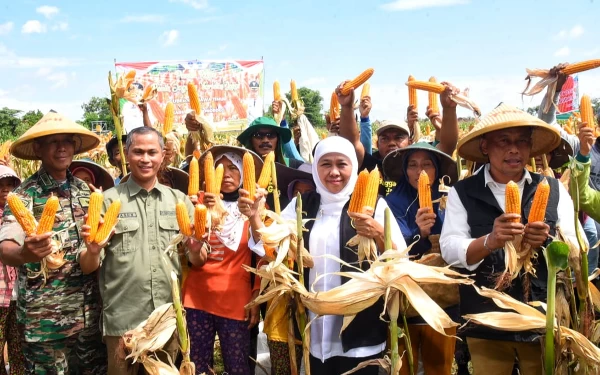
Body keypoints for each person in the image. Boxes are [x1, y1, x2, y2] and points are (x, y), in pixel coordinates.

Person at [241, 136, 406, 375]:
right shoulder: (302, 204)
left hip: (361, 325)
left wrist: (379, 233)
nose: (334, 172)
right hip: (313, 323)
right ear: (316, 167)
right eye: (326, 164)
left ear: (354, 167)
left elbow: (400, 260)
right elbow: (272, 247)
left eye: (342, 164)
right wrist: (255, 217)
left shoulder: (376, 206)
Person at [440, 104, 579, 374]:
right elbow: (449, 248)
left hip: (540, 316)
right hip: (486, 318)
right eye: (504, 141)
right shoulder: (462, 192)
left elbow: (576, 247)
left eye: (521, 142)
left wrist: (550, 243)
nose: (514, 150)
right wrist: (489, 241)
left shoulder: (552, 190)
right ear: (485, 147)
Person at [78, 126, 204, 375]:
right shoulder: (107, 201)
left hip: (167, 318)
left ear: (163, 155)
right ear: (126, 153)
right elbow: (86, 265)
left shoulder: (180, 201)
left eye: (152, 152)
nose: (145, 159)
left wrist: (196, 248)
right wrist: (93, 250)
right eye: (138, 152)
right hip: (123, 319)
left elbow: (198, 260)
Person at [0, 111, 107, 374]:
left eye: (67, 141)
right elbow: (6, 246)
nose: (62, 147)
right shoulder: (24, 195)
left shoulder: (86, 192)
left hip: (89, 318)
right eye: (53, 141)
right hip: (45, 323)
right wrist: (26, 253)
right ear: (37, 148)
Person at [183, 146, 261, 375]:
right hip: (197, 297)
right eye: (219, 168)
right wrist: (204, 211)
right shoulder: (196, 204)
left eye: (232, 168)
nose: (226, 174)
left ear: (242, 173)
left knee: (237, 367)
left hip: (236, 300)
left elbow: (263, 257)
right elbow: (187, 250)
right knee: (196, 367)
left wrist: (256, 295)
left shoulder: (253, 208)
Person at [383, 142, 458, 375]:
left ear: (437, 170)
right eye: (413, 165)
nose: (420, 172)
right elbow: (390, 249)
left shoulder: (451, 199)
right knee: (404, 367)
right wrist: (419, 233)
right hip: (406, 301)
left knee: (439, 367)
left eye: (427, 164)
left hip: (443, 300)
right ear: (405, 170)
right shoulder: (392, 203)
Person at [336, 81, 460, 196]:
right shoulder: (370, 164)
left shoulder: (421, 163)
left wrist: (449, 108)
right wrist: (347, 107)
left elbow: (447, 146)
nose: (391, 143)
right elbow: (352, 143)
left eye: (398, 137)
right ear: (377, 144)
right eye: (384, 138)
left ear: (410, 142)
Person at [0, 166, 25, 374]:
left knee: (19, 346)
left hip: (19, 292)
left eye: (9, 185)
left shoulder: (21, 215)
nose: (5, 190)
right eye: (0, 186)